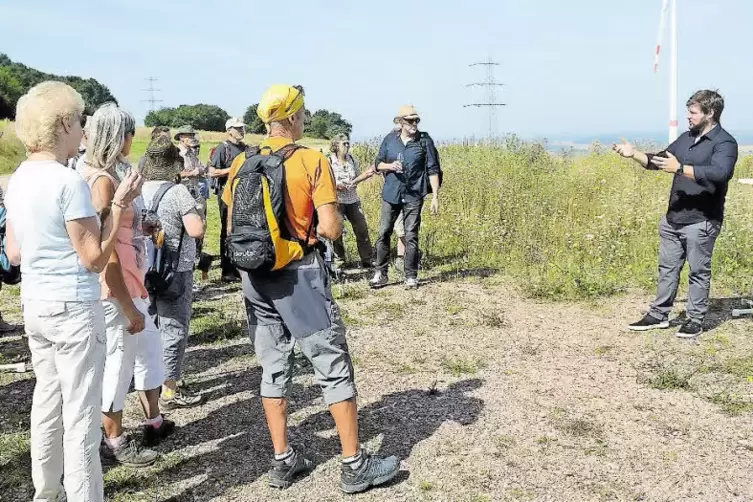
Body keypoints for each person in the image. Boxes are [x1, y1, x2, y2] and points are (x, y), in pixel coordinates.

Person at [223, 84, 399, 493]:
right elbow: (331, 228)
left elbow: (234, 222)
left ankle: (283, 460)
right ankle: (354, 464)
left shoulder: (242, 162)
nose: (305, 117)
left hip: (254, 278)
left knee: (272, 366)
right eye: (302, 112)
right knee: (331, 365)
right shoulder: (310, 159)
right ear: (291, 118)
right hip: (298, 276)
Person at [4, 81, 142, 502]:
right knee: (80, 413)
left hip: (36, 302)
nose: (84, 130)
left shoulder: (18, 179)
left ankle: (46, 493)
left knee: (46, 401)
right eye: (80, 121)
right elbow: (93, 259)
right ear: (63, 123)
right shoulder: (68, 182)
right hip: (73, 306)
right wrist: (117, 209)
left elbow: (12, 251)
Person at [80, 103, 175, 467]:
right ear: (119, 137)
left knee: (145, 351)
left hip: (132, 283)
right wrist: (126, 305)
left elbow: (119, 234)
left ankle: (152, 419)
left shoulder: (111, 174)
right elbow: (105, 251)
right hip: (116, 290)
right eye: (129, 133)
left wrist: (141, 227)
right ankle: (113, 440)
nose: (132, 140)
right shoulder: (101, 182)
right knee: (118, 366)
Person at [614, 89, 738, 338]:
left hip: (701, 220)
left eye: (692, 112)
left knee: (698, 271)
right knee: (667, 269)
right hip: (673, 218)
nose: (688, 116)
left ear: (709, 113)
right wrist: (634, 155)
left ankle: (695, 319)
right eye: (688, 111)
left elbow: (721, 173)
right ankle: (658, 315)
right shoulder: (686, 138)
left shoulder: (725, 143)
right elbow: (660, 161)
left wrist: (681, 168)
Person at [141, 136, 206, 410]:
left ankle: (151, 385)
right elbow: (196, 230)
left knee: (151, 326)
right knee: (174, 328)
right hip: (174, 268)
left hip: (144, 267)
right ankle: (169, 389)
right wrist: (198, 212)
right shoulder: (177, 192)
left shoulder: (139, 189)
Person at [369, 105, 441, 289]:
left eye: (416, 120)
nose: (414, 124)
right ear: (400, 122)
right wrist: (390, 166)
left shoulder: (425, 141)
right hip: (391, 193)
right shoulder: (389, 140)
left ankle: (410, 276)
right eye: (410, 120)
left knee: (411, 235)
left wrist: (435, 197)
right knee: (384, 232)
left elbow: (432, 169)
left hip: (414, 194)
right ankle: (380, 273)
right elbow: (377, 164)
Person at [328, 133, 375, 269]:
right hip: (337, 200)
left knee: (361, 228)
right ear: (336, 145)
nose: (347, 146)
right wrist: (337, 186)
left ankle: (367, 259)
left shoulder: (352, 159)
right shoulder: (329, 161)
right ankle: (340, 262)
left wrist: (356, 181)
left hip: (353, 200)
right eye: (344, 144)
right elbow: (325, 180)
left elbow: (361, 174)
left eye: (348, 143)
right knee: (337, 232)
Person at [209, 117, 247, 282]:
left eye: (242, 128)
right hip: (227, 194)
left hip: (244, 194)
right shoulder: (222, 148)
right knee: (227, 230)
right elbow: (213, 172)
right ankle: (227, 270)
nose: (241, 131)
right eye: (237, 128)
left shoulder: (245, 148)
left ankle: (241, 267)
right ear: (229, 130)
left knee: (242, 230)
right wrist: (233, 169)